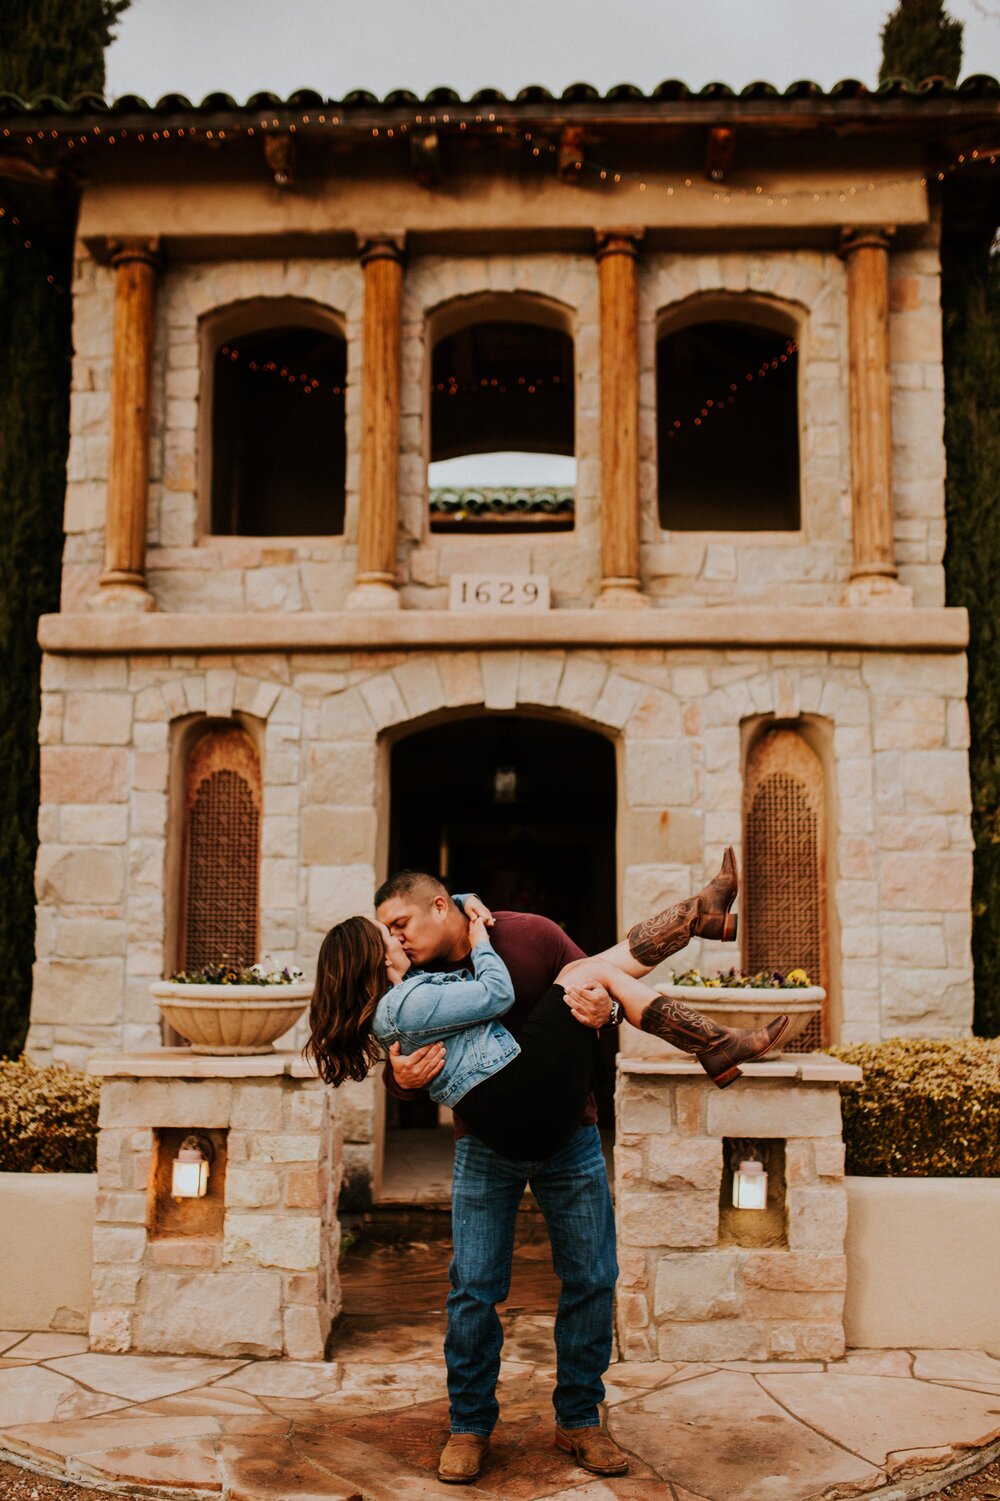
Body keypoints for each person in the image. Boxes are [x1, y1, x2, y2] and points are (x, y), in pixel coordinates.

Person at [307, 855, 787, 1484]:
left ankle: (580, 1418)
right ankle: (470, 1426)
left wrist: (605, 1016)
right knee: (473, 1290)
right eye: (385, 932)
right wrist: (399, 1078)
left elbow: (603, 998)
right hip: (487, 1140)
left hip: (568, 1132)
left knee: (592, 1276)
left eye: (400, 924)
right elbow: (410, 1064)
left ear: (440, 905)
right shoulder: (410, 978)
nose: (395, 940)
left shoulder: (528, 935)